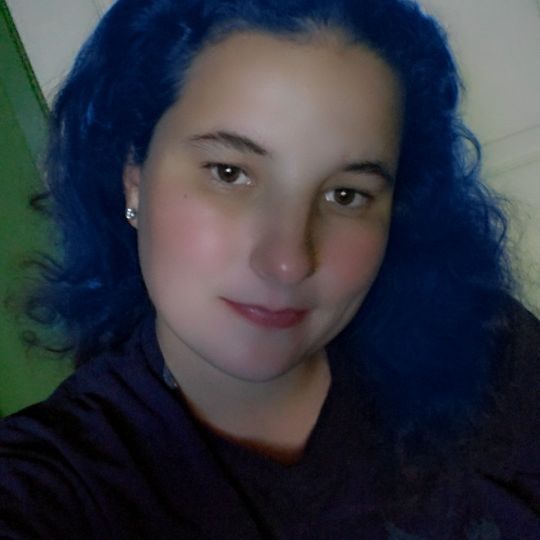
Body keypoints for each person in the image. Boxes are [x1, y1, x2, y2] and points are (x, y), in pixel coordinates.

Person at [1, 0, 539, 538]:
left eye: (346, 194)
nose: (288, 262)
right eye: (229, 173)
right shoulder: (57, 487)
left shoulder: (491, 350)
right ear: (134, 177)